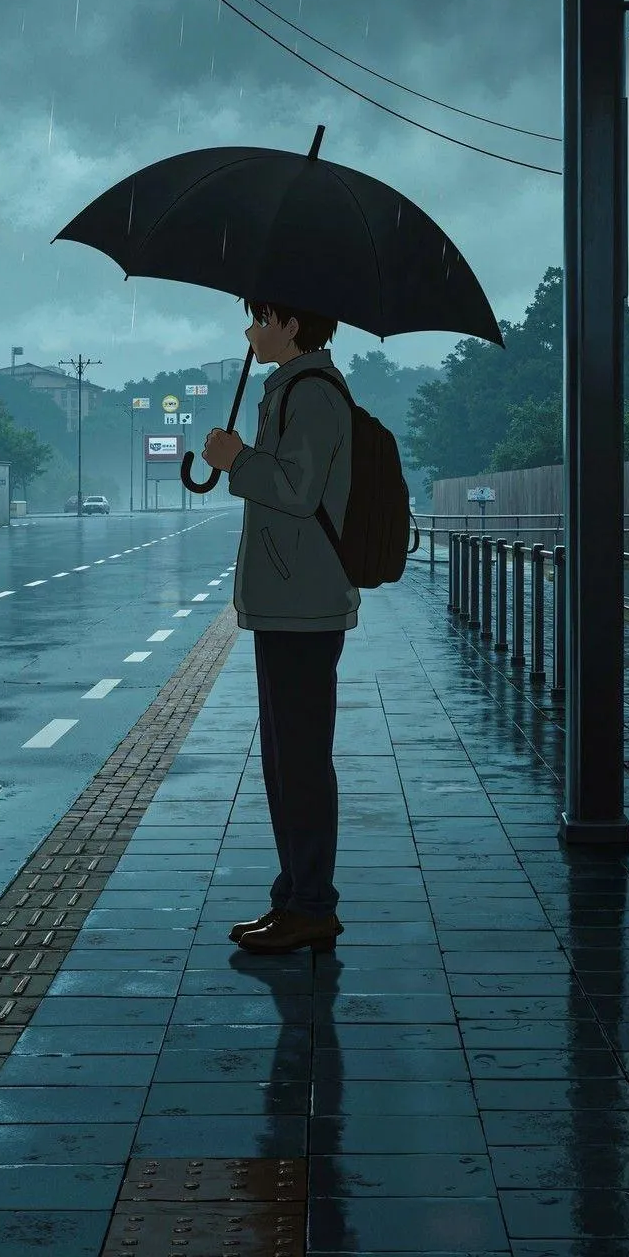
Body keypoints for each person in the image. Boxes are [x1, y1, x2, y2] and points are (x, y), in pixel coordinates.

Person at [202, 298, 359, 955]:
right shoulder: (288, 389)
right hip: (288, 601)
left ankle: (313, 902)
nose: (251, 331)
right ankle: (294, 892)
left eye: (261, 318)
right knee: (283, 756)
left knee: (299, 757)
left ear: (294, 323)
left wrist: (236, 457)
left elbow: (297, 490)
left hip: (305, 602)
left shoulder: (314, 394)